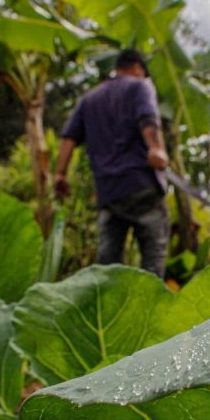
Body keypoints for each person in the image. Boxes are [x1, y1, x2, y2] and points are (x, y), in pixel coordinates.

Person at [54, 49, 170, 278]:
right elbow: (148, 118)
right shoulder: (140, 86)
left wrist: (59, 174)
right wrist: (156, 148)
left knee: (107, 265)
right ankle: (152, 311)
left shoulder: (89, 100)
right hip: (141, 186)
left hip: (108, 193)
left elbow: (69, 138)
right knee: (153, 258)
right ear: (138, 67)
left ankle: (109, 311)